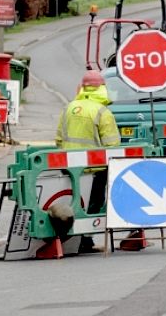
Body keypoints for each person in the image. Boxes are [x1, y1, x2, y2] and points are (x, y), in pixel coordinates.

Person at [55, 70, 143, 252]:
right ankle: (85, 240)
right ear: (102, 88)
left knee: (74, 203)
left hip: (69, 168)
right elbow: (112, 146)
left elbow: (58, 139)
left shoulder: (69, 108)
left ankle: (72, 239)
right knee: (93, 205)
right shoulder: (102, 112)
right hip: (94, 169)